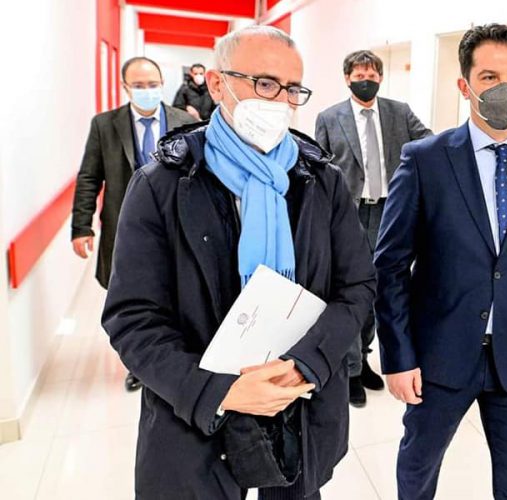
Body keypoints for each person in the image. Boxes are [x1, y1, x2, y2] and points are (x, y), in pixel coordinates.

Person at [102, 25, 375, 500]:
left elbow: (356, 287)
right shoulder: (161, 186)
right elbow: (133, 318)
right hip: (195, 425)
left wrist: (306, 364)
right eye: (265, 84)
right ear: (216, 83)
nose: (280, 102)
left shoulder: (320, 182)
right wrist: (219, 391)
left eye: (292, 89)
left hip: (299, 409)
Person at [375, 24, 507, 500]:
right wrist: (398, 357)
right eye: (489, 77)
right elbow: (390, 265)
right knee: (418, 472)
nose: (505, 88)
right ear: (464, 85)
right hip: (439, 355)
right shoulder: (425, 161)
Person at [70, 56, 195, 392]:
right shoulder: (105, 125)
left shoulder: (184, 122)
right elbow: (89, 177)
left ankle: (176, 357)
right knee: (133, 297)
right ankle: (138, 365)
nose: (147, 91)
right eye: (139, 86)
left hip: (177, 225)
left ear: (162, 84)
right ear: (126, 87)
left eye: (152, 84)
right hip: (125, 226)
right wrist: (81, 226)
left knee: (176, 291)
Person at [315, 50, 432, 407]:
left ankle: (363, 357)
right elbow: (318, 167)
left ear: (380, 77)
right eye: (359, 75)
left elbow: (429, 142)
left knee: (382, 289)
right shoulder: (329, 118)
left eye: (371, 75)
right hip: (347, 214)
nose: (366, 80)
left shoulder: (400, 112)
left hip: (390, 214)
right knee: (351, 289)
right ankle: (350, 369)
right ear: (347, 78)